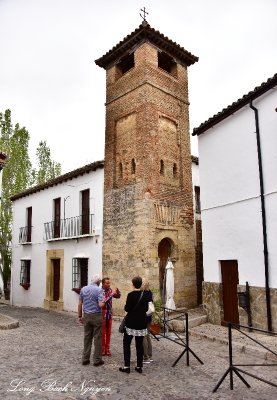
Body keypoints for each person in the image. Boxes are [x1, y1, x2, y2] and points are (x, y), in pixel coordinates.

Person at [119, 276, 148, 374]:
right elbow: (146, 309)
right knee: (139, 345)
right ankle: (139, 366)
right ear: (140, 284)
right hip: (141, 323)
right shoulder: (145, 295)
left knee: (126, 344)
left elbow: (127, 309)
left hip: (131, 323)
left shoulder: (130, 295)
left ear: (133, 284)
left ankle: (126, 366)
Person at [78, 274, 105, 366]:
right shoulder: (99, 290)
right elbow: (101, 305)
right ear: (98, 282)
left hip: (86, 315)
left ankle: (85, 358)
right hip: (96, 315)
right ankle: (97, 360)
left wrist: (79, 316)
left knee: (87, 337)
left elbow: (80, 304)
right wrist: (105, 300)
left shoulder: (83, 289)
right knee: (97, 338)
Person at [101, 277, 121, 356]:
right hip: (103, 314)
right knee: (103, 333)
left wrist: (118, 292)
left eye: (109, 283)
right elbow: (105, 300)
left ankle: (107, 349)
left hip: (109, 314)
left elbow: (117, 296)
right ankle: (102, 349)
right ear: (103, 284)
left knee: (109, 332)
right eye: (107, 283)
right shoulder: (100, 291)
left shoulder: (110, 290)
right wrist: (112, 294)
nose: (109, 285)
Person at [142, 279, 153, 363]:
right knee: (147, 335)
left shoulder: (142, 294)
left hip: (143, 317)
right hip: (149, 316)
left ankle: (145, 356)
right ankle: (150, 355)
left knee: (143, 336)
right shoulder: (150, 293)